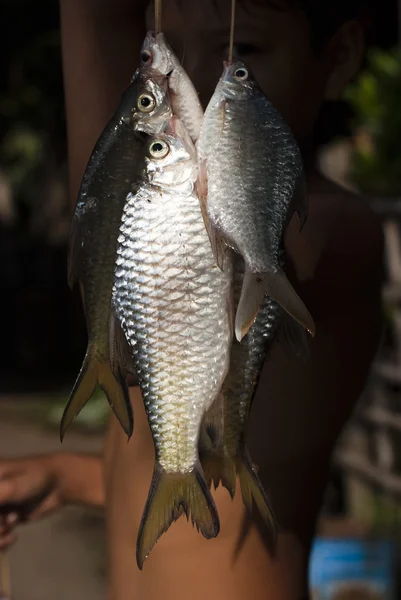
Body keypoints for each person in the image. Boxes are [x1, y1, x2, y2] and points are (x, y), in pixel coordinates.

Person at [0, 1, 384, 598]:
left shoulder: (340, 238)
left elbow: (110, 181)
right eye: (174, 46)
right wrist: (68, 478)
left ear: (337, 59)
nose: (199, 79)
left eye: (244, 50)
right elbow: (194, 469)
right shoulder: (176, 238)